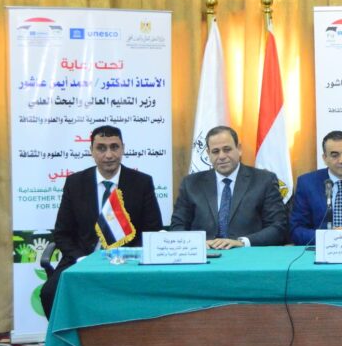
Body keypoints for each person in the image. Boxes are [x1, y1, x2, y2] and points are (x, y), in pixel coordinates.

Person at [40, 125, 163, 317]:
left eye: (114, 147)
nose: (109, 155)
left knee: (154, 294)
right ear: (91, 151)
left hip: (128, 261)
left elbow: (152, 230)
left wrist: (127, 257)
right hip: (83, 259)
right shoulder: (75, 183)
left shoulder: (141, 182)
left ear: (123, 148)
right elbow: (62, 233)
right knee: (49, 293)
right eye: (101, 148)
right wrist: (81, 259)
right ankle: (70, 336)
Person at [170, 125, 287, 248]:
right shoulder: (191, 184)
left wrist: (242, 242)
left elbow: (278, 227)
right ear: (208, 154)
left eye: (227, 149)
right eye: (215, 151)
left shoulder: (264, 181)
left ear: (239, 149)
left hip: (246, 255)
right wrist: (198, 243)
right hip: (206, 254)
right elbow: (177, 227)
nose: (221, 156)